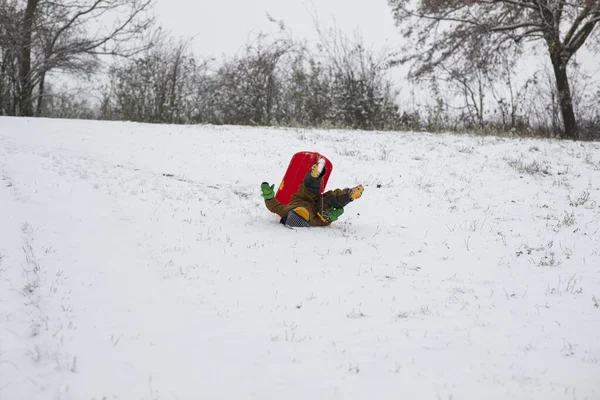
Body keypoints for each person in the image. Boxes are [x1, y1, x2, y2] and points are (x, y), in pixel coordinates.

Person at [261, 158, 364, 228]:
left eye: (296, 212)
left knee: (309, 187)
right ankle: (349, 195)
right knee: (333, 200)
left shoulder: (284, 211)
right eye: (304, 215)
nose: (302, 210)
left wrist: (268, 196)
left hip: (303, 197)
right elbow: (323, 221)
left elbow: (273, 206)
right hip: (318, 207)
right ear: (307, 221)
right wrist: (329, 217)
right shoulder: (313, 221)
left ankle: (315, 174)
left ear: (290, 214)